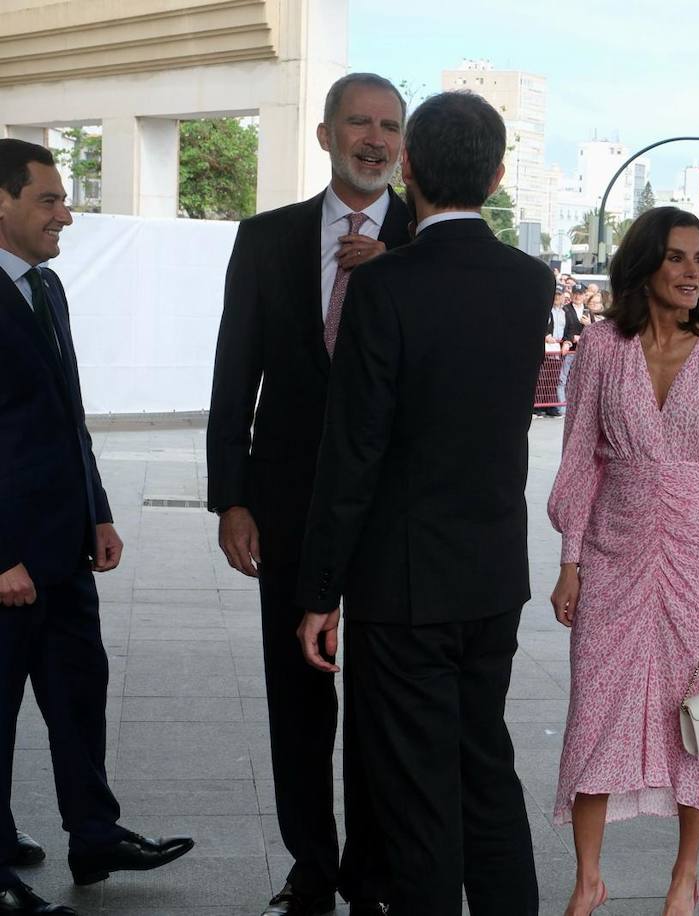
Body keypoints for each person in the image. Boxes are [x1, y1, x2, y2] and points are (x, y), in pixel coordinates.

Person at [293, 89, 546, 916]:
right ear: (500, 174)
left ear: (408, 166)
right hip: (492, 575)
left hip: (402, 587)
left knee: (416, 797)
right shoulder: (529, 283)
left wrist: (318, 589)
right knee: (486, 768)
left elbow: (353, 452)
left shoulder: (387, 287)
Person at [206, 72, 410, 916]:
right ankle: (311, 868)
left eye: (390, 127)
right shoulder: (267, 238)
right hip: (287, 506)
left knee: (381, 695)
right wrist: (231, 498)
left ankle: (373, 868)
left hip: (394, 512)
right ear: (325, 135)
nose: (375, 138)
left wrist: (397, 269)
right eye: (358, 123)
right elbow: (233, 375)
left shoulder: (428, 242)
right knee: (297, 693)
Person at [547, 206, 699, 916]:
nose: (693, 272)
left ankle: (685, 876)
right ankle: (588, 878)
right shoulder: (603, 350)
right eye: (677, 257)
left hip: (696, 559)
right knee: (594, 708)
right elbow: (579, 455)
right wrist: (571, 559)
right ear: (644, 263)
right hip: (612, 550)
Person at [0, 139, 195, 916]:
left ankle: (95, 833)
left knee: (79, 695)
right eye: (48, 199)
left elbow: (64, 415)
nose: (65, 215)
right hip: (10, 561)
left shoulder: (46, 289)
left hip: (66, 545)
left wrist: (100, 509)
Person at [546, 287, 583, 416]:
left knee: (556, 378)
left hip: (562, 349)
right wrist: (547, 335)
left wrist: (567, 341)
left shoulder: (564, 312)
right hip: (550, 348)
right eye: (556, 295)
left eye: (560, 295)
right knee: (550, 378)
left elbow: (567, 330)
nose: (557, 297)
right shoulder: (549, 310)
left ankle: (554, 406)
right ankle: (549, 407)